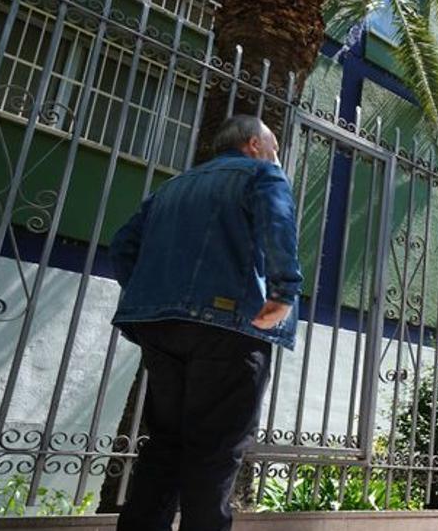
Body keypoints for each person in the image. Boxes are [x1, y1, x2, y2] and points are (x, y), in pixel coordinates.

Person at [110, 115, 301, 531]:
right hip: (229, 326)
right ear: (254, 144)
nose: (275, 155)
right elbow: (278, 228)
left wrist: (153, 293)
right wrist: (283, 293)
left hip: (160, 328)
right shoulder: (263, 174)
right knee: (214, 454)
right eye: (273, 146)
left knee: (163, 448)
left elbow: (122, 247)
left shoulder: (171, 187)